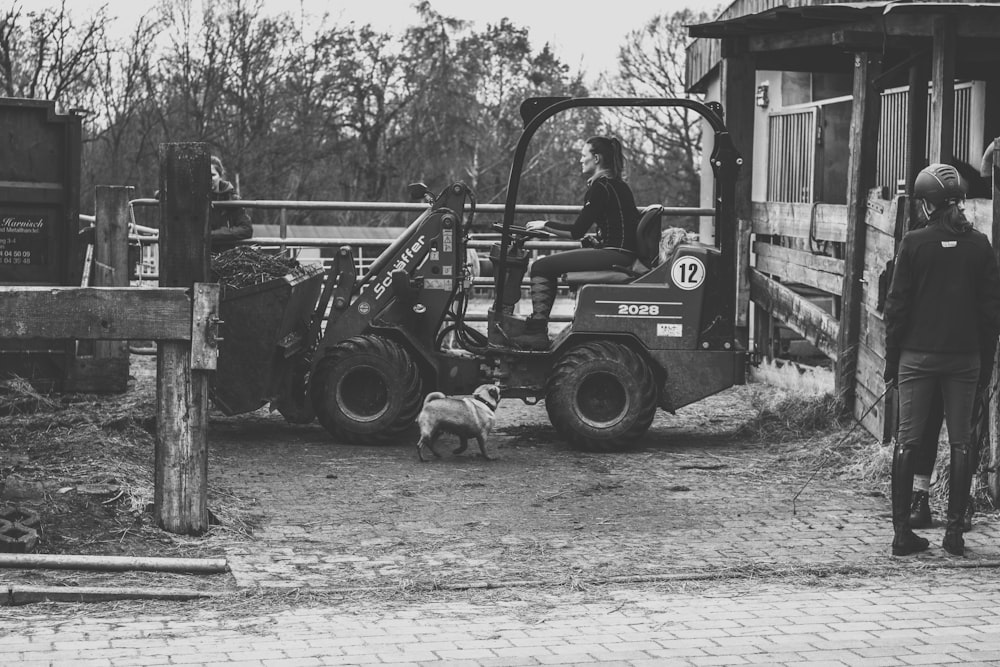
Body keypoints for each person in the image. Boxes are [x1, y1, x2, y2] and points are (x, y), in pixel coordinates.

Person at [884, 162, 1000, 557]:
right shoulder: (980, 245)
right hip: (964, 358)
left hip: (916, 357)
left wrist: (890, 362)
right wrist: (984, 364)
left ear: (927, 205)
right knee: (962, 443)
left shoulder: (914, 244)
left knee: (907, 442)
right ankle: (955, 534)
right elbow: (990, 313)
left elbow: (896, 308)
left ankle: (902, 535)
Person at [510, 136, 640, 350]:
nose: (580, 160)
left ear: (596, 158)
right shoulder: (618, 185)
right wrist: (598, 240)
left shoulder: (601, 187)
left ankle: (537, 332)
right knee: (548, 265)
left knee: (541, 266)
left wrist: (544, 224)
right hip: (619, 251)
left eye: (583, 155)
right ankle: (537, 328)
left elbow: (576, 231)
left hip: (616, 254)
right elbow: (617, 225)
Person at [209, 155, 253, 250]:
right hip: (202, 255)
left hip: (227, 256)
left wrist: (211, 235)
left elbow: (246, 229)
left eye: (212, 175)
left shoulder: (232, 199)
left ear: (220, 176)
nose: (209, 179)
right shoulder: (196, 200)